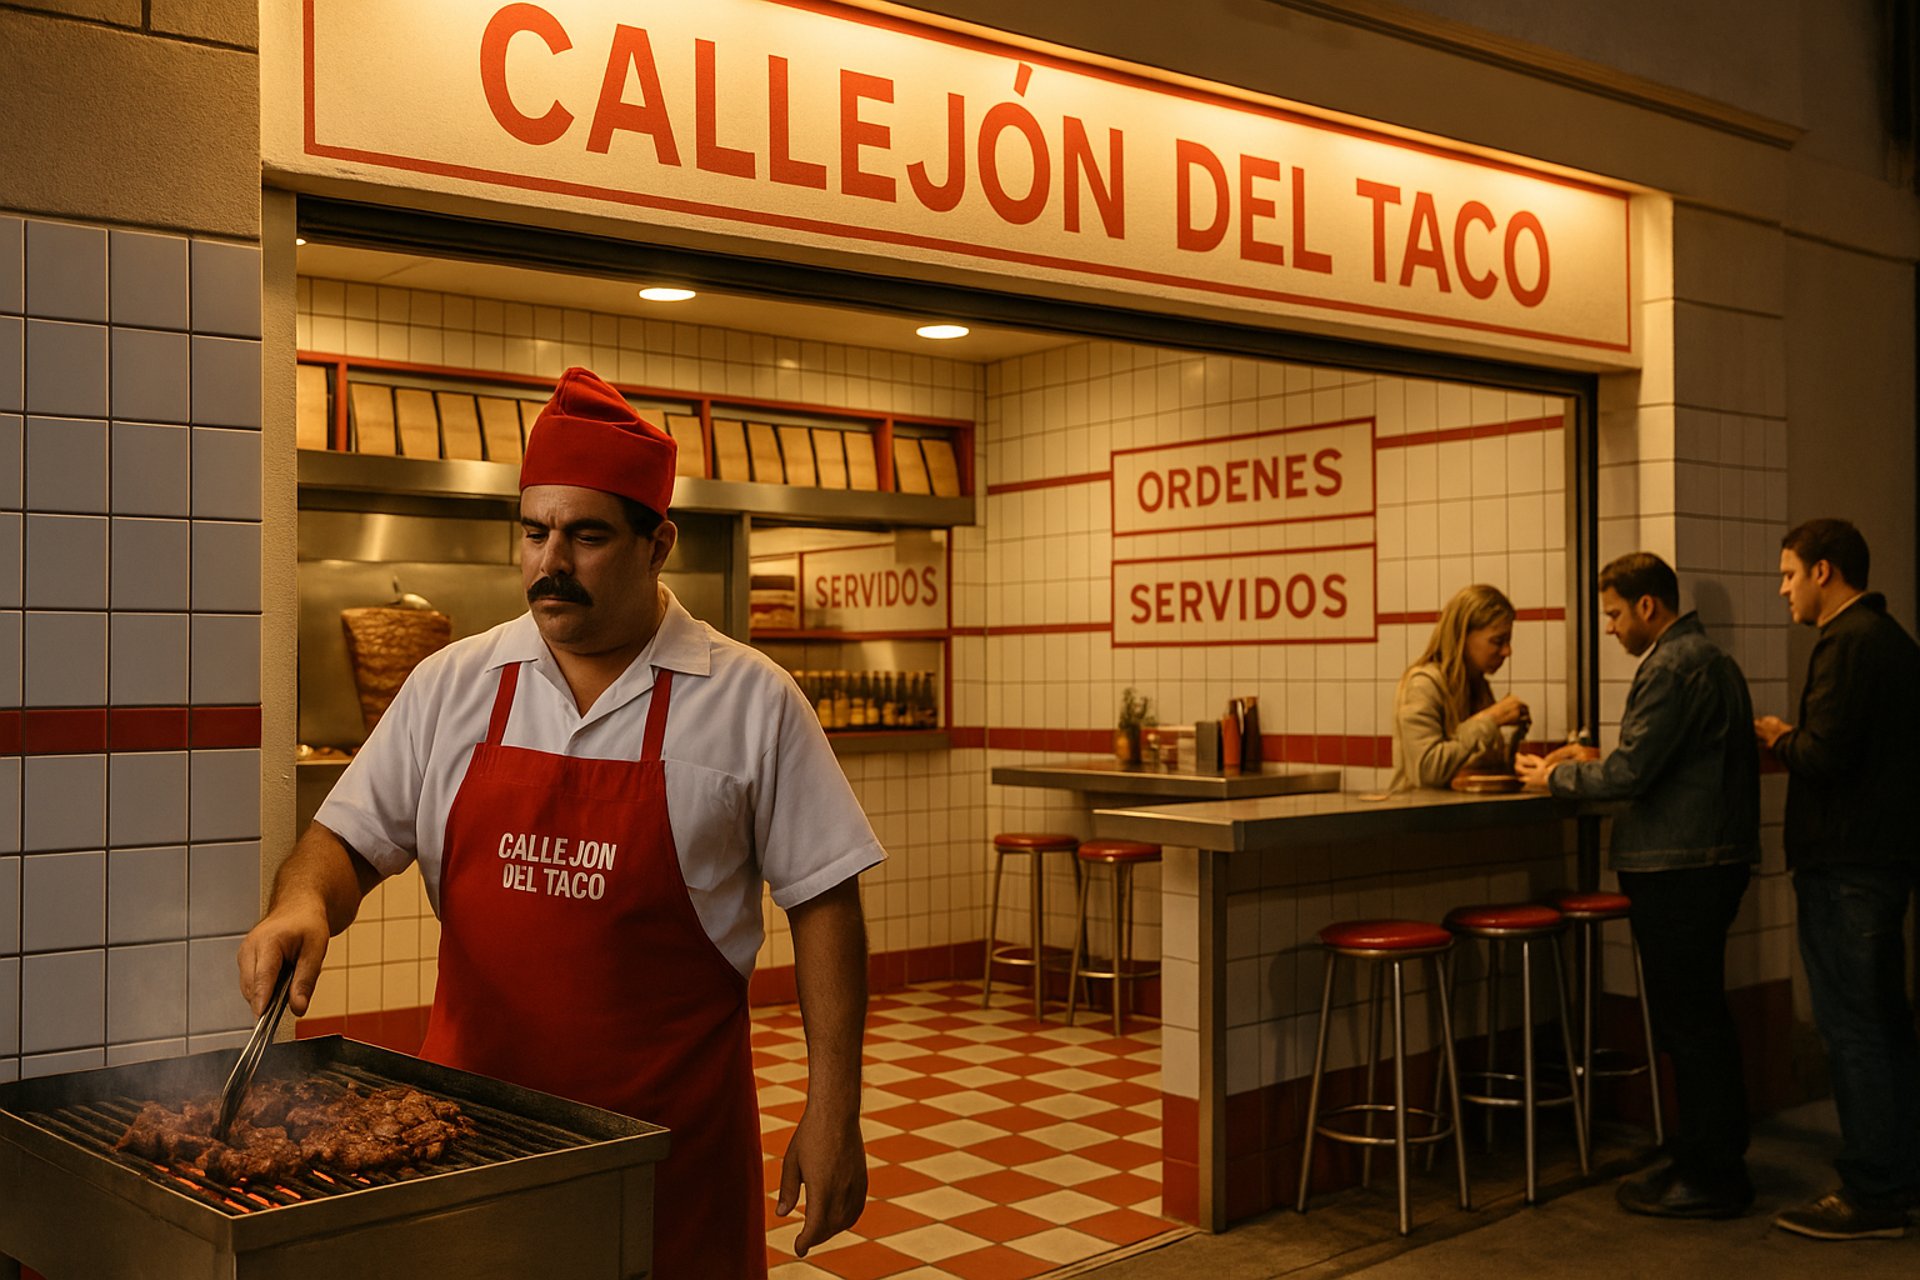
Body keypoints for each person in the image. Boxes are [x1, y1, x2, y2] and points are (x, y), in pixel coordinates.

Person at [238, 368, 883, 1278]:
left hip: (670, 1149)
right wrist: (301, 902)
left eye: (585, 537)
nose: (551, 564)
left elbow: (825, 900)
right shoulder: (453, 685)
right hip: (470, 1141)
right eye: (535, 533)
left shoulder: (750, 701)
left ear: (657, 543)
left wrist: (832, 1109)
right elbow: (343, 841)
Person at [1516, 552, 1759, 1218]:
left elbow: (1632, 776)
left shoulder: (1673, 666)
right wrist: (1599, 759)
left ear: (1648, 607)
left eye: (1616, 614)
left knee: (1689, 1023)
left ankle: (1712, 1176)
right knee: (1697, 1018)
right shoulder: (1711, 660)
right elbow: (1662, 762)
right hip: (1708, 861)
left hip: (1681, 869)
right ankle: (1701, 1157)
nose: (1613, 628)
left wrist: (1555, 777)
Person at [1754, 518, 1920, 1240]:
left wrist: (1777, 737)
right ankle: (1899, 1172)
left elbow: (1825, 755)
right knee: (1885, 1023)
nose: (1783, 588)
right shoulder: (1893, 642)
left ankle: (1873, 1193)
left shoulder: (1846, 644)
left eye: (1789, 573)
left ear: (1825, 572)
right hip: (1881, 860)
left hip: (1847, 865)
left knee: (1854, 1029)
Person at [1389, 583, 1529, 790]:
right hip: (1420, 815)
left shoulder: (1477, 685)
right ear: (1463, 636)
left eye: (1508, 641)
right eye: (1498, 641)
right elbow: (1427, 771)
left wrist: (1513, 762)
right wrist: (1491, 719)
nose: (1507, 651)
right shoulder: (1423, 685)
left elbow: (1467, 761)